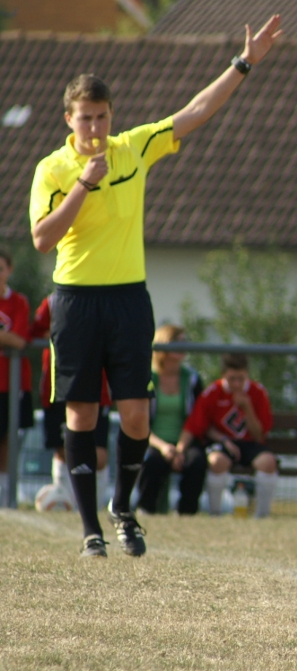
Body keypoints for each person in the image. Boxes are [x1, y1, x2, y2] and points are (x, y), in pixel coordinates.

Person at [28, 15, 283, 556]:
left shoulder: (133, 148)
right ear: (68, 119)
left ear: (111, 116)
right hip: (74, 299)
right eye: (84, 119)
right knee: (82, 415)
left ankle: (124, 509)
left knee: (137, 413)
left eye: (101, 117)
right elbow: (42, 239)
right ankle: (89, 527)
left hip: (127, 299)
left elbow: (194, 112)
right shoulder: (53, 169)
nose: (94, 128)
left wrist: (244, 63)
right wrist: (82, 184)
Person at [31, 293, 112, 510]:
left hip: (97, 385)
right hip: (59, 384)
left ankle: (94, 505)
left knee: (99, 454)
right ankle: (64, 501)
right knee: (64, 449)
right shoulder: (53, 301)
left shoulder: (107, 298)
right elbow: (35, 331)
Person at [175, 354, 277, 518]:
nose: (236, 384)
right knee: (217, 461)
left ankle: (262, 516)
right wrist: (180, 450)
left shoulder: (257, 392)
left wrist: (247, 407)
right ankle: (216, 513)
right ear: (223, 375)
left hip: (250, 443)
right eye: (232, 379)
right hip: (222, 444)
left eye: (241, 379)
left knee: (268, 462)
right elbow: (197, 426)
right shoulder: (212, 392)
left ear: (247, 375)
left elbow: (259, 436)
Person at [135, 325, 207, 515]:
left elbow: (197, 419)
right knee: (151, 461)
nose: (183, 346)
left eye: (185, 342)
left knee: (197, 461)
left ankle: (186, 513)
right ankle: (146, 510)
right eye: (177, 342)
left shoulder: (192, 378)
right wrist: (164, 447)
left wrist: (180, 449)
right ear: (163, 346)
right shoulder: (147, 378)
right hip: (154, 440)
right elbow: (139, 423)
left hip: (186, 441)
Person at [0, 248, 34, 502]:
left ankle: (6, 495)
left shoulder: (18, 302)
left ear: (9, 270)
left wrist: (9, 339)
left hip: (11, 385)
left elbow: (20, 340)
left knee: (9, 441)